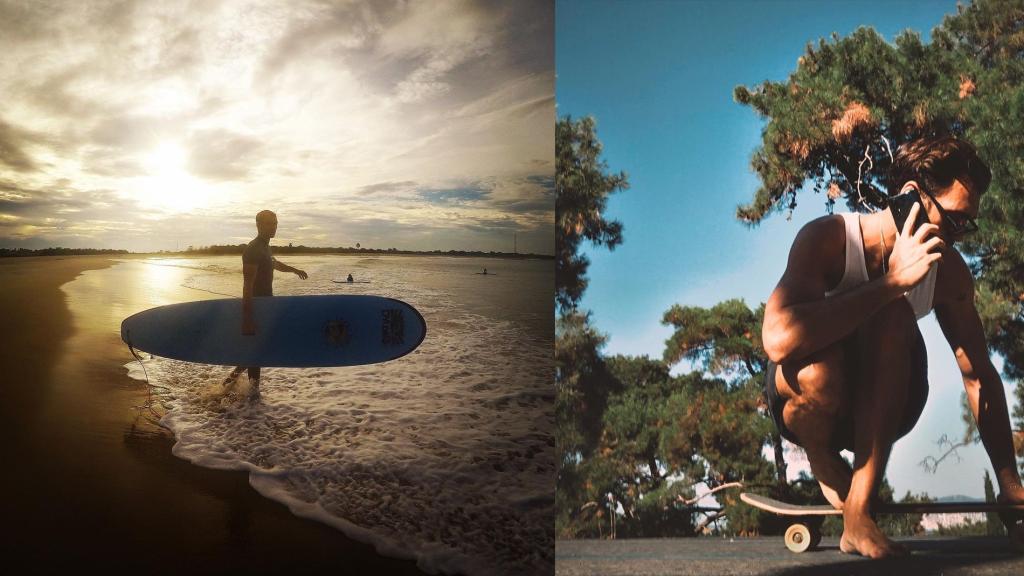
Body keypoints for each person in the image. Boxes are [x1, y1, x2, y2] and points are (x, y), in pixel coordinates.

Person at [761, 136, 1024, 558]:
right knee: (822, 361)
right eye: (954, 220)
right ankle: (822, 458)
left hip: (886, 407)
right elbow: (777, 339)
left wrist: (1011, 488)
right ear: (913, 196)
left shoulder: (950, 275)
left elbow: (979, 376)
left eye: (967, 225)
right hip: (805, 399)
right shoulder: (830, 237)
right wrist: (892, 284)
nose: (959, 236)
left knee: (894, 316)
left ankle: (857, 514)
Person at [223, 210, 308, 400]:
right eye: (269, 223)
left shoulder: (265, 248)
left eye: (275, 223)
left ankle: (237, 386)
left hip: (267, 306)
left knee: (256, 352)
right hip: (257, 307)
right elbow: (247, 285)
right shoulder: (253, 249)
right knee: (256, 352)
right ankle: (247, 392)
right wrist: (247, 317)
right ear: (258, 225)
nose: (274, 226)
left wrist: (294, 270)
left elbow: (275, 263)